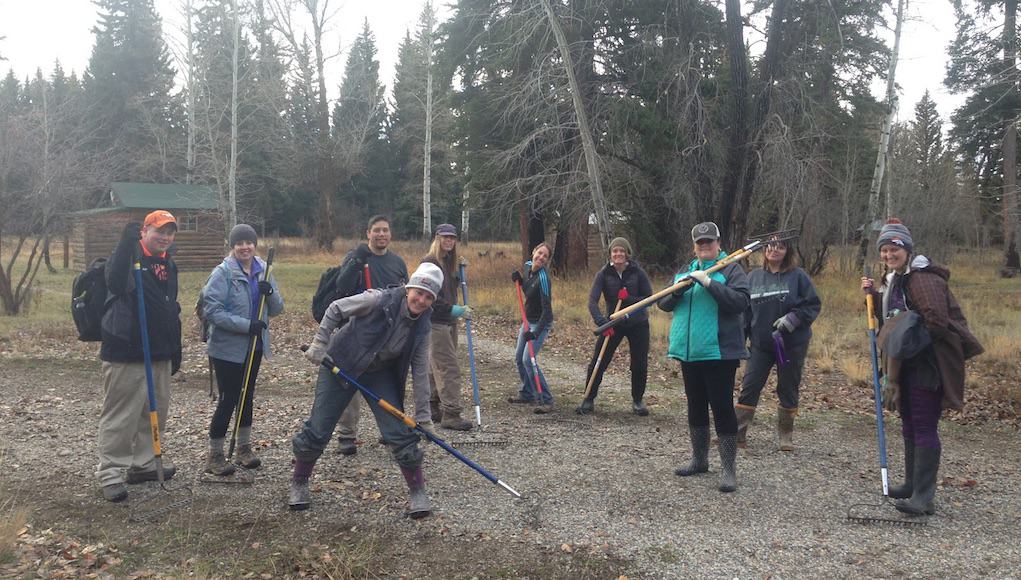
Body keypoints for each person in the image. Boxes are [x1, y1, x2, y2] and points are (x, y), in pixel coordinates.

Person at [291, 262, 442, 517]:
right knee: (319, 429)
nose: (422, 300)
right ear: (409, 288)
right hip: (341, 363)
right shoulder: (378, 300)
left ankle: (418, 492)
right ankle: (299, 482)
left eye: (429, 297)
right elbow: (335, 308)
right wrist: (319, 343)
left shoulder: (423, 324)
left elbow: (420, 372)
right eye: (419, 292)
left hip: (378, 373)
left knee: (399, 432)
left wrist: (424, 417)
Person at [861, 219, 982, 516]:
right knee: (910, 423)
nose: (889, 255)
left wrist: (907, 348)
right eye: (885, 250)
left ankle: (924, 497)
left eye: (894, 249)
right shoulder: (896, 278)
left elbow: (936, 321)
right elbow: (894, 314)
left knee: (924, 424)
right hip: (905, 362)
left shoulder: (922, 278)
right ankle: (912, 485)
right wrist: (873, 296)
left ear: (907, 250)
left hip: (927, 363)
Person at [96, 211, 183, 502]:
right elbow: (117, 284)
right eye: (159, 231)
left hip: (158, 352)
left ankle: (144, 463)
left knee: (154, 412)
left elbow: (172, 307)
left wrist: (175, 350)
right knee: (121, 416)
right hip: (126, 351)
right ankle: (110, 473)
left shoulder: (168, 264)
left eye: (170, 232)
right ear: (144, 232)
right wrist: (124, 243)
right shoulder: (129, 258)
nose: (165, 237)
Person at [658, 222, 749, 493]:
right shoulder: (686, 271)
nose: (704, 246)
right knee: (695, 406)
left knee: (721, 408)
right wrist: (679, 289)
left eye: (709, 242)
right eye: (700, 243)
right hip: (690, 352)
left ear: (718, 244)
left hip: (719, 352)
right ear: (694, 246)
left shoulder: (731, 269)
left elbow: (740, 302)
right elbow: (663, 304)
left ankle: (729, 470)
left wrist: (709, 283)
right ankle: (699, 460)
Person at [201, 224, 284, 476]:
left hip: (255, 346)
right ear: (232, 246)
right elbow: (212, 311)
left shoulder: (264, 270)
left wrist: (268, 293)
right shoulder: (223, 273)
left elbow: (278, 308)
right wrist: (246, 326)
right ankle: (215, 454)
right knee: (229, 398)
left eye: (249, 242)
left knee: (247, 396)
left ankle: (244, 448)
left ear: (254, 244)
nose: (245, 247)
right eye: (239, 243)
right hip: (227, 349)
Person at [332, 215, 414, 455]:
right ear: (368, 233)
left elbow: (405, 296)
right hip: (356, 333)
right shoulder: (356, 257)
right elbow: (342, 287)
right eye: (376, 230)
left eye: (385, 230)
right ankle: (347, 436)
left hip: (388, 336)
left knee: (389, 385)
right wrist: (356, 261)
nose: (381, 234)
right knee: (350, 385)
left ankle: (390, 433)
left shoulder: (397, 263)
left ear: (390, 234)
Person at [736, 235, 821, 451]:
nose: (775, 250)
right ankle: (738, 433)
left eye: (780, 247)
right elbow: (746, 312)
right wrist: (740, 340)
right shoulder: (753, 276)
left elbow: (812, 305)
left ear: (788, 252)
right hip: (760, 344)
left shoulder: (798, 276)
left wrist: (792, 319)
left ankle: (785, 436)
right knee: (750, 385)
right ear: (764, 251)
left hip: (790, 344)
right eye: (771, 247)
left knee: (787, 387)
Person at [577, 237, 654, 416]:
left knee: (639, 363)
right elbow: (592, 301)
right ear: (610, 254)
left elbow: (649, 299)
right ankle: (589, 398)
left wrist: (628, 299)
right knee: (599, 360)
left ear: (627, 253)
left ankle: (637, 400)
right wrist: (602, 323)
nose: (618, 254)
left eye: (622, 251)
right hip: (613, 323)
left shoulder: (638, 272)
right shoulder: (603, 274)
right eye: (615, 251)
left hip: (638, 323)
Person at [422, 224, 473, 431]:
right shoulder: (430, 263)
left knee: (435, 366)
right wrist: (456, 310)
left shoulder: (448, 262)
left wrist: (459, 273)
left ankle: (433, 406)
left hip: (448, 322)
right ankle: (451, 413)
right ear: (437, 238)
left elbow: (448, 290)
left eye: (452, 238)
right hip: (436, 322)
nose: (449, 241)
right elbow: (428, 297)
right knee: (449, 367)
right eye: (445, 237)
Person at [508, 242, 555, 413]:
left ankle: (546, 400)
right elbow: (528, 289)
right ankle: (527, 392)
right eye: (539, 253)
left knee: (529, 360)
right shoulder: (528, 267)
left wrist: (535, 333)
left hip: (540, 323)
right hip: (527, 320)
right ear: (533, 252)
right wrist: (520, 281)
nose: (541, 257)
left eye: (545, 256)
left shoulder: (544, 279)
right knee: (519, 358)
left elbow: (547, 311)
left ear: (547, 260)